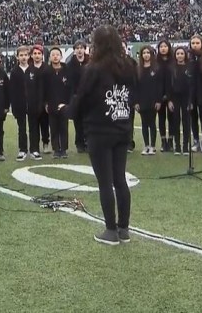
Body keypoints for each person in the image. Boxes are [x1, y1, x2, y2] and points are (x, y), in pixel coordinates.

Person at [69, 25, 136, 246]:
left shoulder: (94, 69)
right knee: (120, 180)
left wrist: (70, 111)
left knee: (105, 182)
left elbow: (83, 97)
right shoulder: (129, 65)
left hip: (99, 130)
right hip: (123, 127)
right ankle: (124, 229)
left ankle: (110, 230)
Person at [44, 47, 72, 159]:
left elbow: (70, 88)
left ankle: (63, 149)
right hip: (51, 105)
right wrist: (45, 103)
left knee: (64, 127)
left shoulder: (66, 70)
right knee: (54, 128)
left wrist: (68, 103)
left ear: (61, 56)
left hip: (64, 105)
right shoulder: (46, 72)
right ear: (50, 57)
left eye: (57, 54)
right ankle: (56, 149)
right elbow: (43, 89)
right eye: (53, 54)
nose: (55, 56)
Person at [134, 46, 163, 156]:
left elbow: (159, 86)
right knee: (144, 123)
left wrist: (158, 101)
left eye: (148, 53)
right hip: (142, 101)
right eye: (144, 53)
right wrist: (135, 102)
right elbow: (135, 86)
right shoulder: (138, 69)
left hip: (153, 100)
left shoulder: (156, 68)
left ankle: (153, 146)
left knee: (152, 123)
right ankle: (146, 145)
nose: (146, 55)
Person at [8, 46, 33, 161]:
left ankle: (34, 149)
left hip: (32, 104)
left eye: (25, 55)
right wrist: (14, 106)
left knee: (33, 127)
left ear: (29, 56)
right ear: (17, 57)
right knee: (21, 128)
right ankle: (22, 150)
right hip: (20, 105)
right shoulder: (14, 72)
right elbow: (12, 90)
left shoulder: (33, 70)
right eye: (21, 55)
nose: (23, 57)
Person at [168, 47, 193, 155]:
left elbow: (192, 85)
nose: (179, 55)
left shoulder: (190, 67)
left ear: (185, 55)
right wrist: (170, 100)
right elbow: (168, 85)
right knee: (176, 122)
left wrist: (191, 101)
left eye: (182, 53)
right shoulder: (171, 68)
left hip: (186, 98)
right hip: (175, 98)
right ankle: (177, 146)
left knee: (186, 122)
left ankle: (186, 146)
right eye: (177, 53)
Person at [67, 41, 89, 153]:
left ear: (85, 49)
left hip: (88, 97)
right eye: (77, 48)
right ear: (74, 50)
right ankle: (79, 143)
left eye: (81, 48)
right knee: (77, 121)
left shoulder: (90, 61)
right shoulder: (70, 64)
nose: (79, 50)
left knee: (88, 121)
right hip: (76, 97)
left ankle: (88, 142)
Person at [155, 40, 174, 153]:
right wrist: (159, 96)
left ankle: (171, 142)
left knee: (172, 119)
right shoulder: (156, 62)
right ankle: (163, 142)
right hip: (159, 96)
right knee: (161, 119)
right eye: (161, 46)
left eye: (165, 46)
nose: (163, 48)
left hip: (172, 95)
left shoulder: (173, 61)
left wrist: (170, 96)